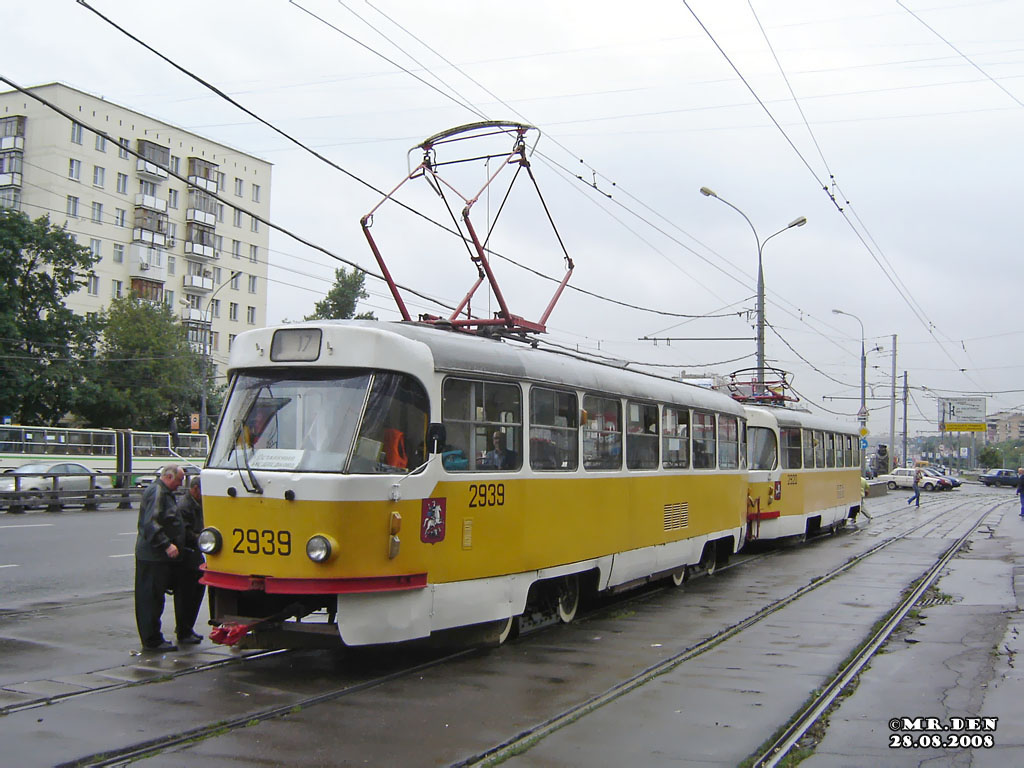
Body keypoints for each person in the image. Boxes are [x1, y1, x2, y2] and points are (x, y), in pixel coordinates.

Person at [134, 464, 185, 652]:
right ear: (169, 477)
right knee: (150, 599)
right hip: (153, 556)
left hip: (156, 556)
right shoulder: (157, 491)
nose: (180, 485)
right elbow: (151, 523)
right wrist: (166, 544)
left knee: (155, 598)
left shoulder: (164, 492)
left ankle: (153, 637)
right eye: (179, 480)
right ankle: (152, 640)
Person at [172, 476, 205, 646]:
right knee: (186, 595)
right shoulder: (185, 506)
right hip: (187, 556)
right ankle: (184, 630)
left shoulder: (197, 504)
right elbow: (184, 533)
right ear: (195, 489)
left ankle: (188, 628)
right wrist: (202, 538)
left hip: (195, 555)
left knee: (197, 591)